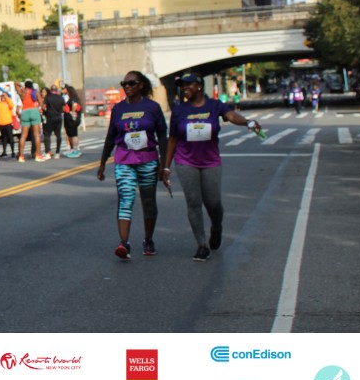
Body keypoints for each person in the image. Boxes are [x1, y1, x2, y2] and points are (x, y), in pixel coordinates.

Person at [161, 73, 263, 261]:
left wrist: (247, 122)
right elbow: (173, 139)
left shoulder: (214, 105)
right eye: (182, 86)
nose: (184, 88)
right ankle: (202, 244)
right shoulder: (179, 110)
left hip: (210, 161)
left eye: (188, 85)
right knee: (193, 202)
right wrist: (166, 167)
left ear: (199, 86)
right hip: (185, 161)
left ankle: (216, 226)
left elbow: (231, 115)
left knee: (213, 203)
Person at [97, 71, 166, 259]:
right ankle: (124, 243)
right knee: (125, 200)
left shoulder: (152, 107)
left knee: (148, 202)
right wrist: (102, 162)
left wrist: (163, 164)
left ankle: (148, 240)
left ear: (141, 85)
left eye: (131, 83)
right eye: (124, 83)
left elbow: (162, 135)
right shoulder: (118, 109)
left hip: (148, 160)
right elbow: (111, 137)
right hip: (124, 160)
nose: (127, 86)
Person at [17, 80, 45, 162]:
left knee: (23, 136)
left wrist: (21, 85)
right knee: (37, 135)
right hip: (34, 111)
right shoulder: (35, 92)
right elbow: (41, 103)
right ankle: (38, 155)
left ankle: (21, 156)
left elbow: (15, 83)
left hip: (25, 112)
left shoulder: (22, 92)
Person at [0, 90, 16, 158]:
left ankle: (13, 152)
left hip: (8, 123)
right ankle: (4, 152)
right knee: (3, 138)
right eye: (2, 96)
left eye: (4, 96)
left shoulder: (8, 102)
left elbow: (12, 105)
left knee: (10, 137)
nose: (3, 97)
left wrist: (6, 97)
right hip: (1, 124)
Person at [42, 85, 66, 158]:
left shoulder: (48, 97)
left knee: (47, 135)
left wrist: (46, 111)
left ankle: (47, 152)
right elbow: (64, 109)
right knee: (58, 135)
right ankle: (57, 152)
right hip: (58, 118)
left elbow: (44, 107)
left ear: (50, 90)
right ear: (56, 90)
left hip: (49, 117)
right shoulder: (61, 97)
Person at [63, 84, 83, 158]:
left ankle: (75, 150)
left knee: (74, 134)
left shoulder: (74, 98)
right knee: (70, 134)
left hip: (73, 120)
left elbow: (74, 105)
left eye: (67, 92)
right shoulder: (72, 98)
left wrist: (72, 112)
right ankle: (72, 149)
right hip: (69, 119)